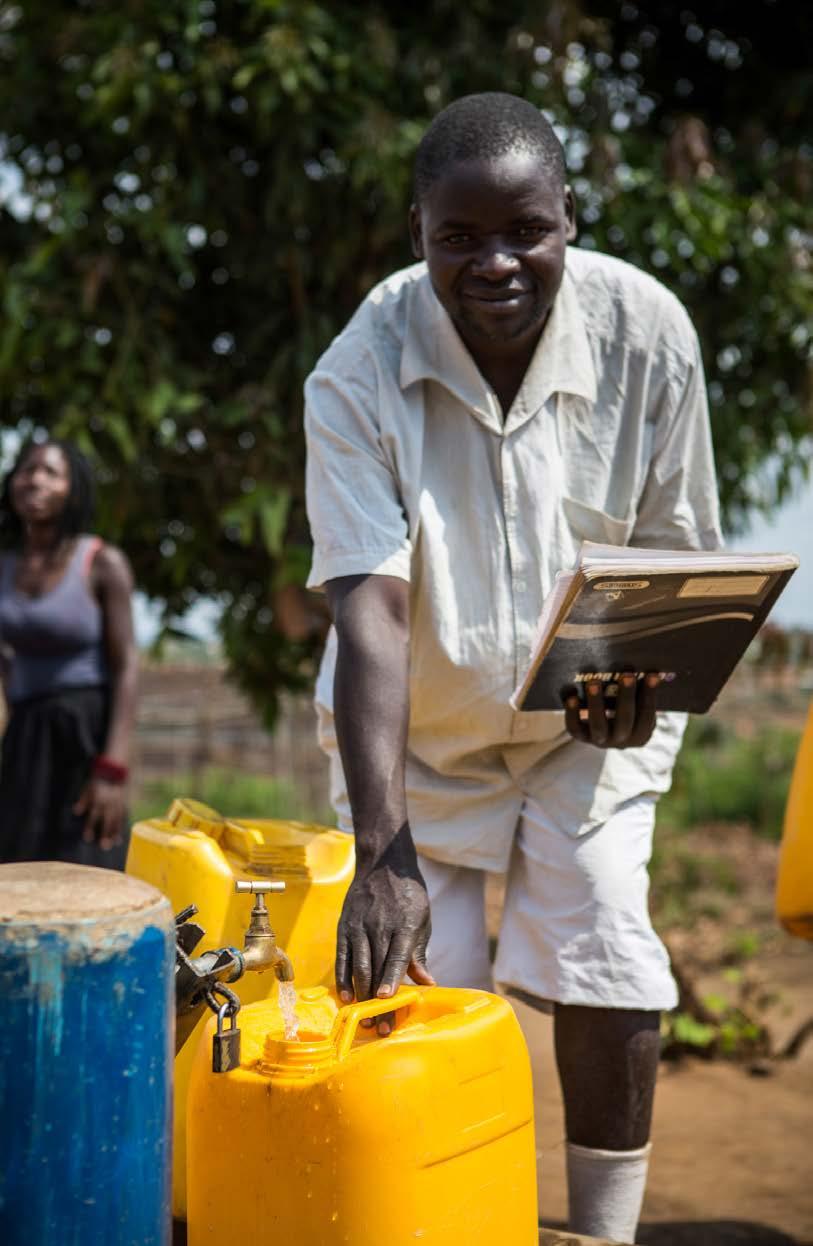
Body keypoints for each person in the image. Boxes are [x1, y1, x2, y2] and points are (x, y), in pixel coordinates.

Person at [304, 93, 722, 1242]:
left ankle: (601, 1232)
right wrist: (384, 851)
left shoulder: (649, 334)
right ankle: (453, 1222)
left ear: (569, 218)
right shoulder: (356, 372)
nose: (495, 262)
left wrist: (641, 679)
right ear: (417, 232)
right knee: (419, 990)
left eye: (524, 230)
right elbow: (371, 606)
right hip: (415, 739)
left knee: (607, 938)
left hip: (586, 729)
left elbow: (676, 553)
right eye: (460, 237)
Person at [0, 438, 138, 869]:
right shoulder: (3, 565)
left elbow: (127, 666)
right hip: (25, 737)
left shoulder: (101, 563)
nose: (35, 479)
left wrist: (112, 770)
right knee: (19, 872)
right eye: (27, 469)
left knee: (92, 867)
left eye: (51, 472)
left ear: (73, 489)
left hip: (85, 736)